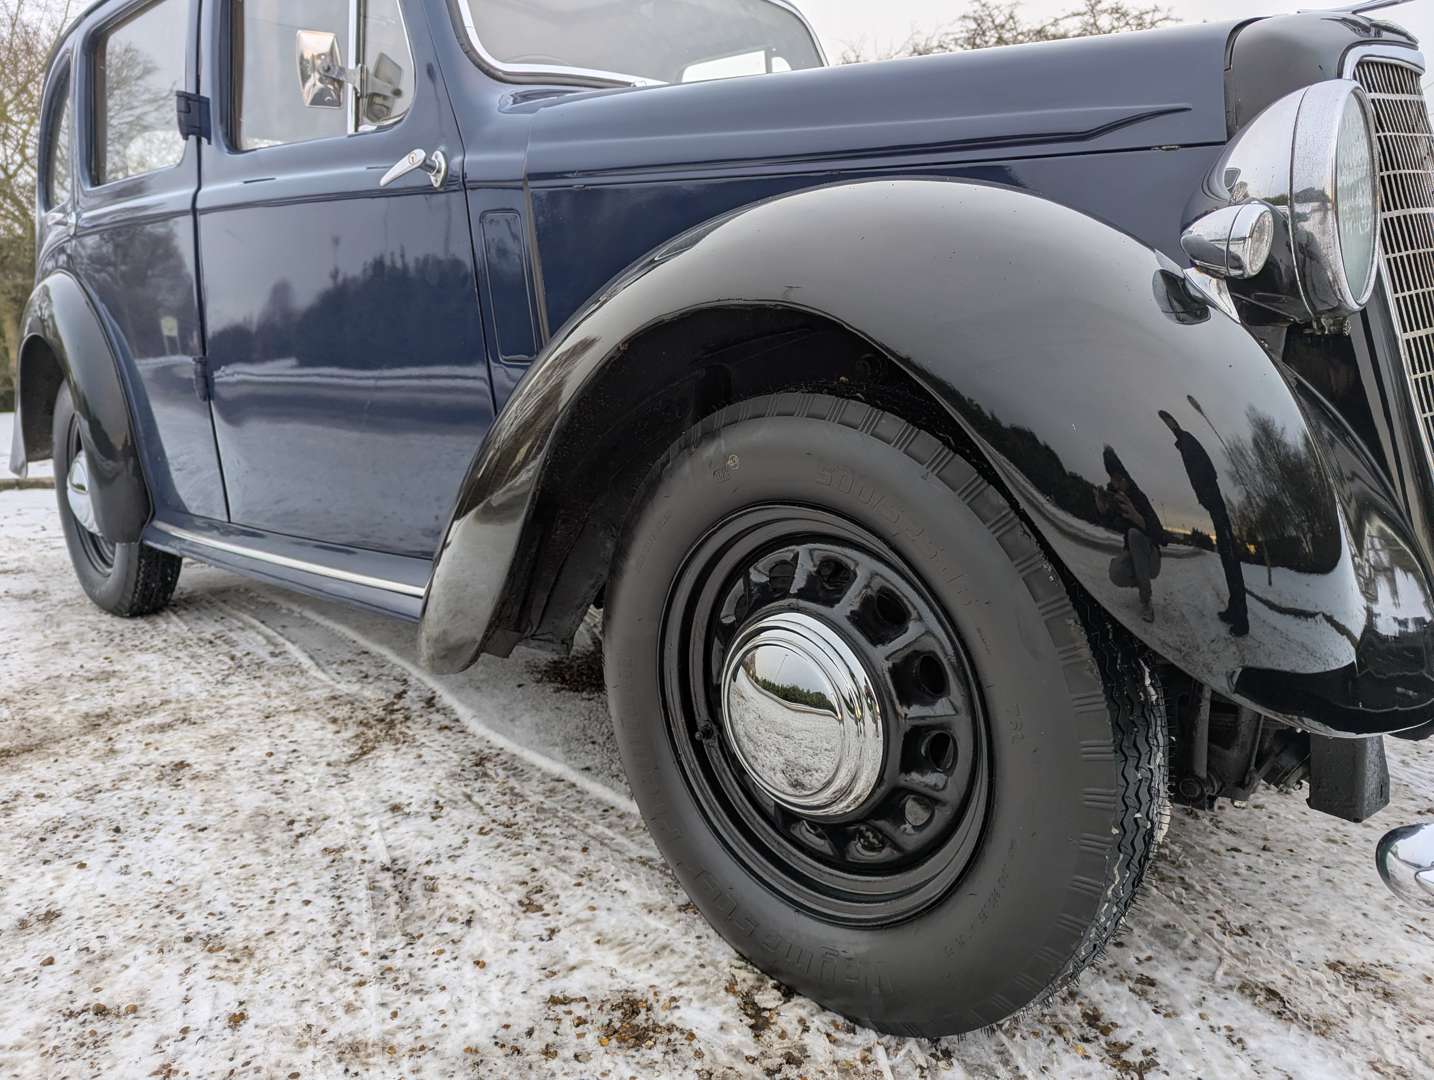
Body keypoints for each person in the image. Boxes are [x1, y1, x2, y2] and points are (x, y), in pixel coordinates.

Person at [1158, 410, 1249, 637]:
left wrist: (1205, 496)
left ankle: (1242, 620)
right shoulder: (1186, 447)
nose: (1170, 429)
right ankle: (1234, 609)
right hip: (1213, 503)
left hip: (1215, 502)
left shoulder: (1189, 443)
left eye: (1170, 425)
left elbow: (1203, 473)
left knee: (1230, 558)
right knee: (1227, 559)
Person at [1095, 446, 1164, 624]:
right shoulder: (1117, 499)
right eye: (1113, 480)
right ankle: (1141, 579)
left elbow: (1161, 536)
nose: (1117, 484)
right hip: (1134, 556)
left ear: (1126, 478)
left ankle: (1146, 600)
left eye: (1120, 479)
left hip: (1151, 558)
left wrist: (1138, 518)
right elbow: (1110, 524)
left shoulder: (1139, 497)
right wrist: (1102, 512)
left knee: (1134, 534)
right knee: (1115, 573)